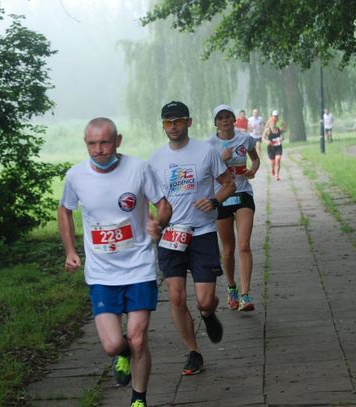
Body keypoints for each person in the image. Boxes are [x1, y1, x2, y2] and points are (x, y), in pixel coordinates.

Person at [58, 117, 172, 407]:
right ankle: (121, 354)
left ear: (118, 141)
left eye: (105, 142)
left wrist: (158, 223)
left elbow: (163, 204)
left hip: (139, 267)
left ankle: (138, 398)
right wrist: (70, 251)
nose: (98, 150)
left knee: (137, 338)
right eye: (92, 144)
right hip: (102, 273)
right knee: (113, 345)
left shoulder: (138, 169)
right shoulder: (76, 176)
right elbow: (65, 210)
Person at [149, 101, 236, 376]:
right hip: (172, 234)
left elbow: (229, 183)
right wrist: (154, 224)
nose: (173, 126)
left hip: (202, 233)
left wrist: (214, 200)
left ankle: (208, 313)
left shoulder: (206, 151)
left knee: (204, 300)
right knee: (176, 297)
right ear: (163, 126)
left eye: (178, 121)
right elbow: (151, 199)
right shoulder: (155, 159)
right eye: (167, 122)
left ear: (189, 122)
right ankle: (193, 352)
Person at [207, 104, 260, 312]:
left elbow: (255, 159)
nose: (225, 121)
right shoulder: (209, 145)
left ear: (234, 119)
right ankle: (232, 288)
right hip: (222, 196)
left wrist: (253, 170)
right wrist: (221, 159)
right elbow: (205, 171)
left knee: (244, 245)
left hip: (243, 193)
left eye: (228, 117)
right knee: (228, 250)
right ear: (216, 123)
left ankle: (245, 296)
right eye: (221, 118)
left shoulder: (245, 139)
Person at [263, 115, 284, 181]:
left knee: (278, 159)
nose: (273, 123)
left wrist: (282, 138)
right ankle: (272, 169)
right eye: (272, 122)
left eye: (274, 122)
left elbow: (282, 137)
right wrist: (267, 141)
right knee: (273, 163)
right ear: (270, 122)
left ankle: (277, 175)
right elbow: (263, 138)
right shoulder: (267, 130)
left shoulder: (279, 129)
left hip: (278, 147)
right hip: (271, 148)